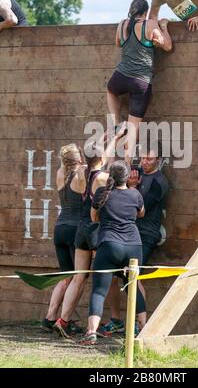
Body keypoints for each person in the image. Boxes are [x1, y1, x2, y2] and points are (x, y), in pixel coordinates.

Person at [53, 126, 127, 338]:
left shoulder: (81, 172)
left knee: (78, 277)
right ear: (100, 158)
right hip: (95, 229)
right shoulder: (102, 177)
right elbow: (106, 163)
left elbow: (100, 157)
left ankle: (63, 320)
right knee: (106, 278)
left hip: (81, 230)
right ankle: (101, 324)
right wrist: (116, 140)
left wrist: (111, 139)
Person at [100, 141, 169, 335]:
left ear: (159, 161)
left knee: (134, 278)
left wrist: (131, 187)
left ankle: (141, 327)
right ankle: (116, 320)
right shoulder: (134, 172)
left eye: (150, 159)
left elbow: (141, 208)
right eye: (143, 158)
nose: (145, 162)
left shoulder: (159, 182)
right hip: (125, 235)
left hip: (145, 236)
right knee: (114, 278)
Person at [78, 160, 146, 346]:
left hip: (109, 245)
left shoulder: (101, 193)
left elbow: (94, 218)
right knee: (134, 287)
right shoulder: (136, 194)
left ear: (110, 177)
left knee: (99, 291)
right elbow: (141, 214)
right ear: (127, 177)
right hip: (134, 246)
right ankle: (144, 328)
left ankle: (91, 332)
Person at [107, 0, 172, 162]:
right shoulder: (149, 24)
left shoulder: (122, 24)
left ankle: (115, 124)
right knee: (133, 129)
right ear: (145, 11)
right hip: (140, 81)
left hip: (120, 77)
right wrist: (163, 26)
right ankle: (126, 170)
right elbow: (168, 46)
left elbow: (118, 43)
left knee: (111, 90)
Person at [41, 143, 86, 334]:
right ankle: (63, 320)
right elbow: (101, 162)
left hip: (60, 229)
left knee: (65, 276)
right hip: (75, 230)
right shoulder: (81, 174)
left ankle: (50, 317)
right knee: (79, 278)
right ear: (79, 159)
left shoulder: (60, 173)